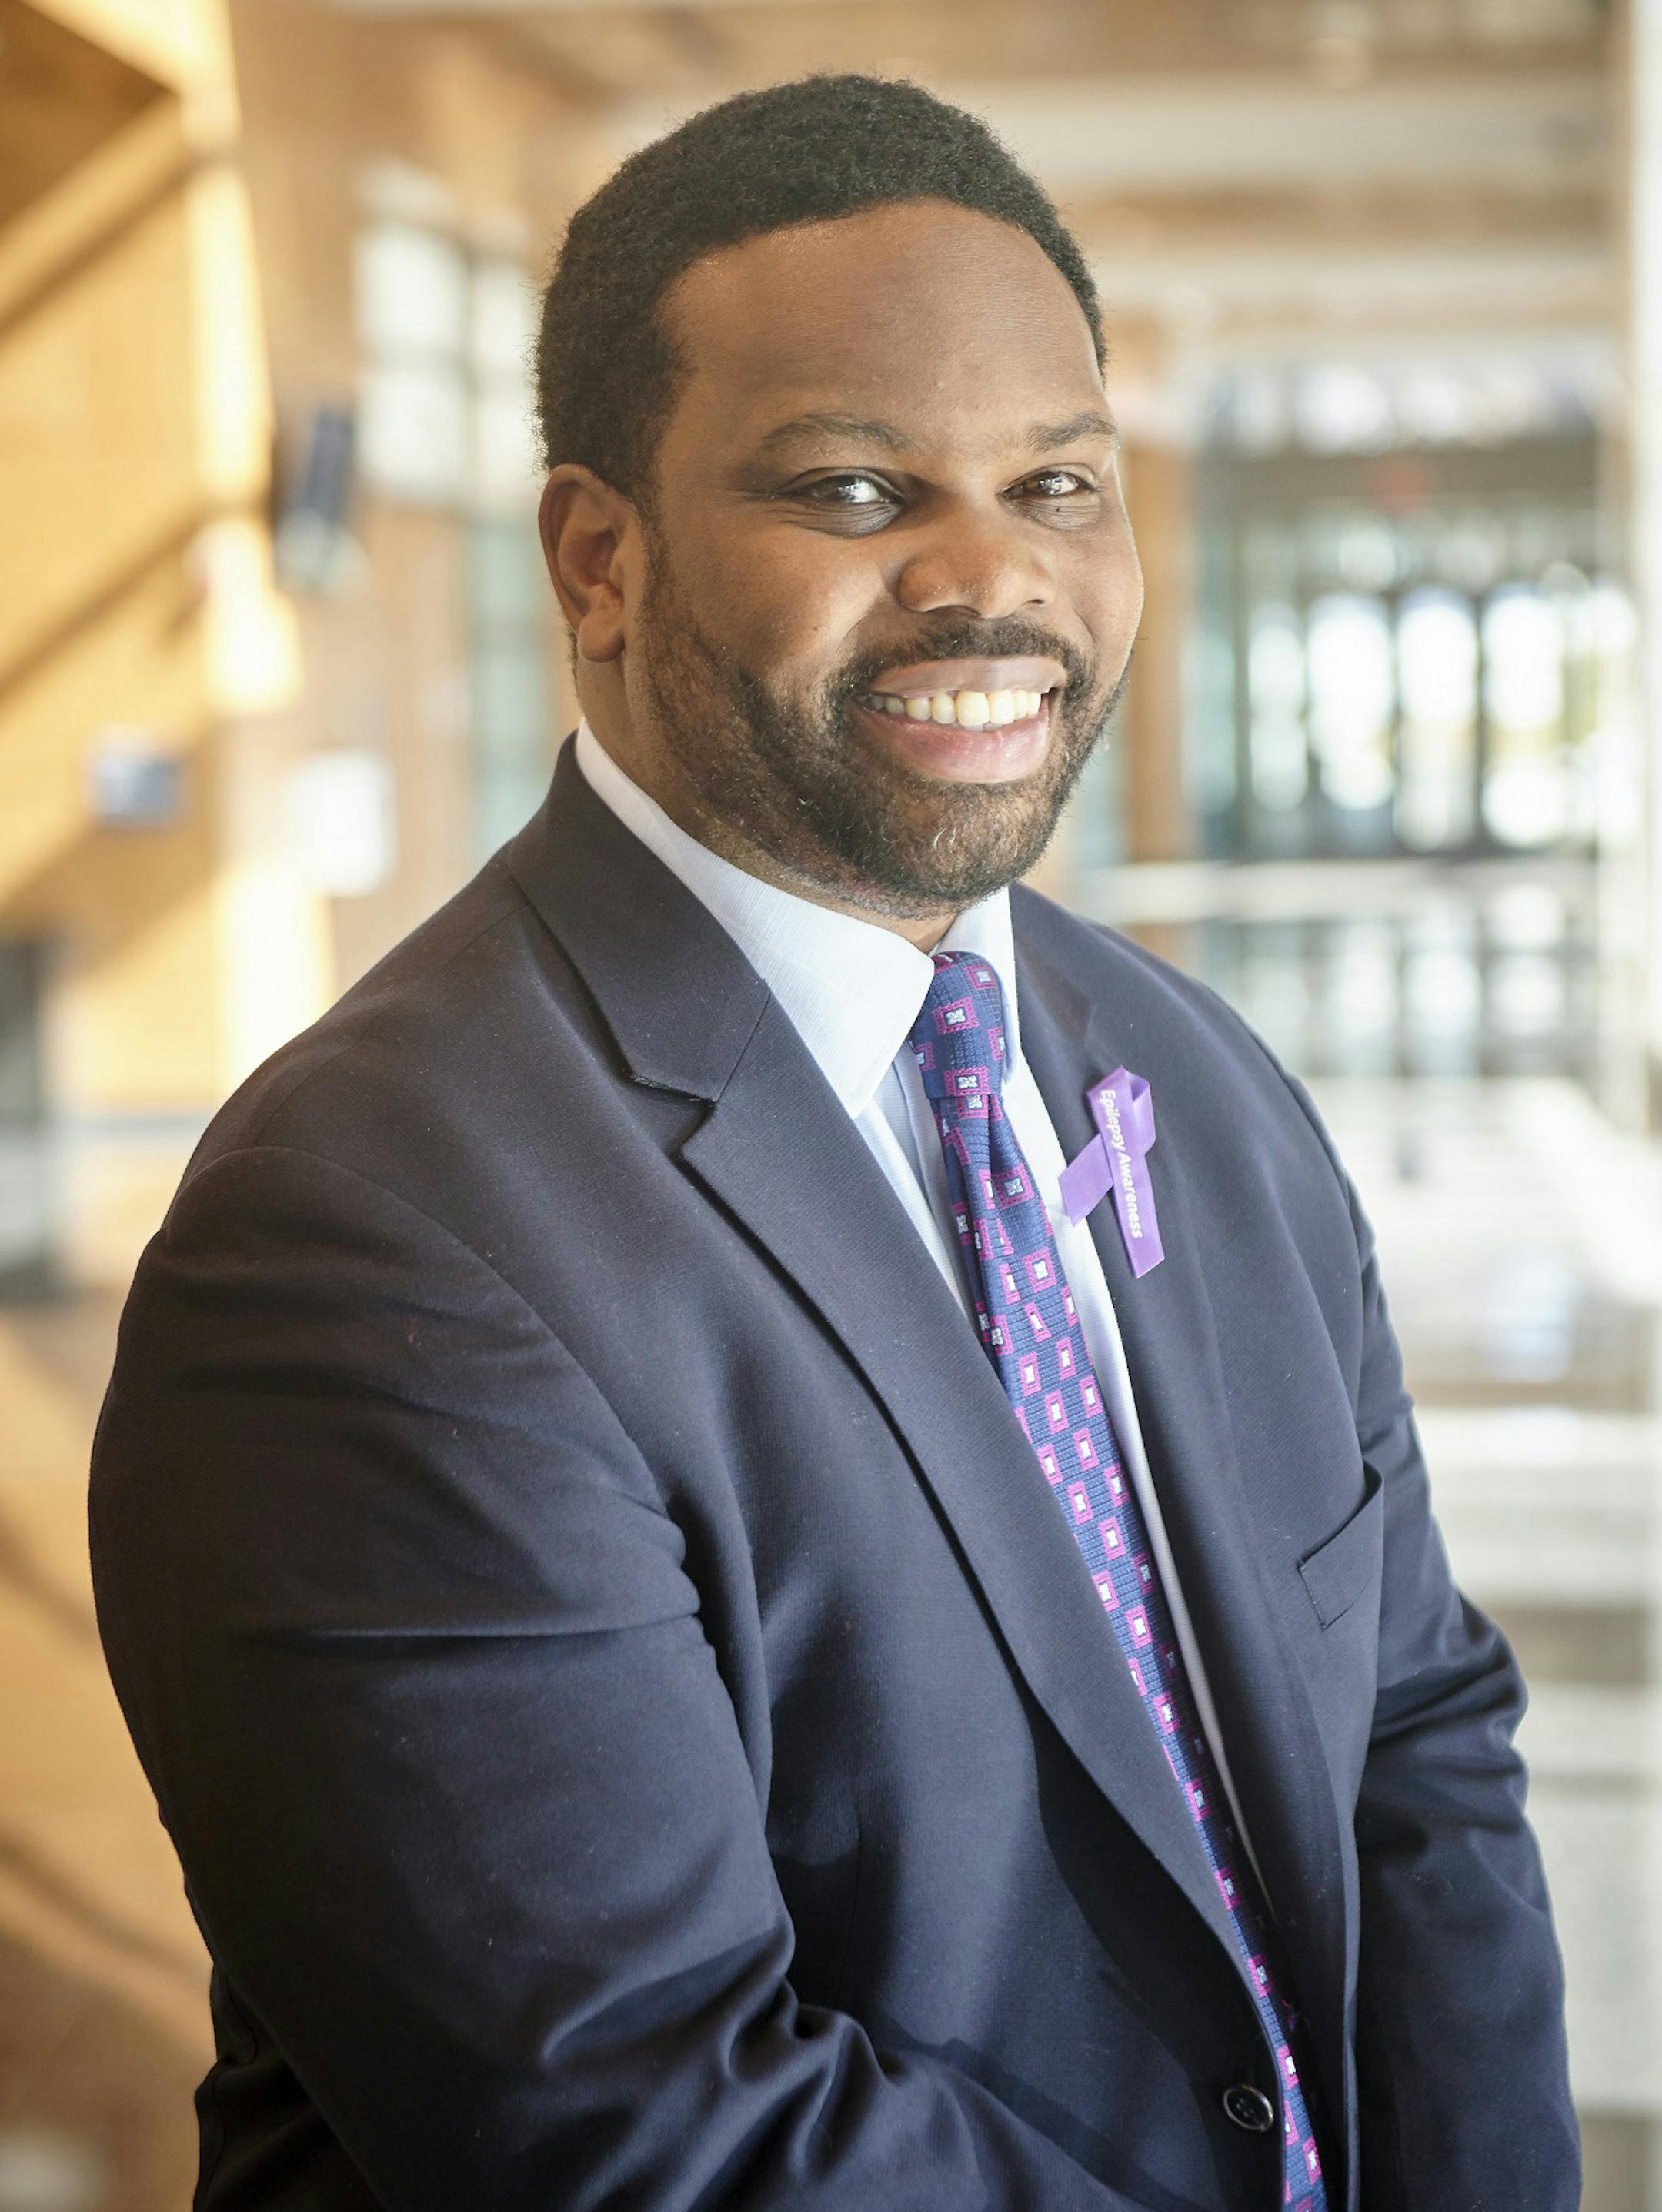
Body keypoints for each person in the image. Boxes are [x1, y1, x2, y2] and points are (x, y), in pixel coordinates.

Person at [90, 72, 1577, 2212]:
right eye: (859, 492)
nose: (989, 575)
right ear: (599, 560)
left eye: (1055, 481)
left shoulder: (1194, 1077)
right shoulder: (372, 1238)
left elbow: (1415, 1743)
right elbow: (639, 2122)